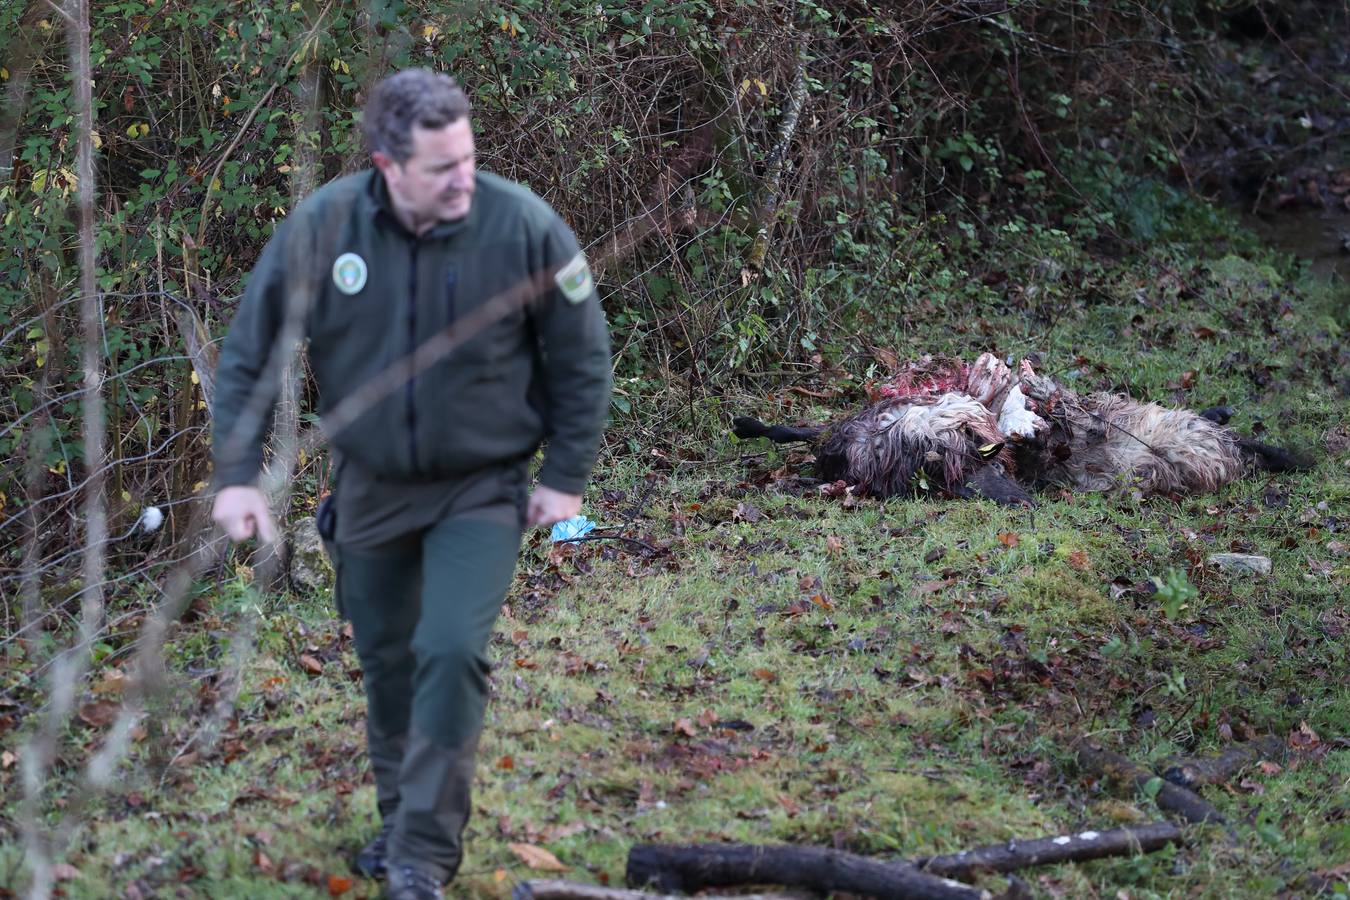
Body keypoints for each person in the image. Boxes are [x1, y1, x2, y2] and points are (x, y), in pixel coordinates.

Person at [209, 69, 612, 900]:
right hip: (369, 488)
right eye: (441, 167)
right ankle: (402, 822)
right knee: (389, 660)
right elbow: (251, 350)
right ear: (389, 167)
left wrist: (566, 476)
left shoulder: (522, 225)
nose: (464, 177)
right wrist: (238, 476)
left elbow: (582, 359)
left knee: (450, 649)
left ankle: (424, 859)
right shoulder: (324, 228)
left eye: (469, 157)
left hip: (483, 488)